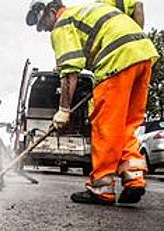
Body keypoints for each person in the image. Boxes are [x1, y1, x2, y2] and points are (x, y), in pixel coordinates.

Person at [26, 0, 159, 205]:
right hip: (143, 55)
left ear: (52, 11)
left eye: (43, 23)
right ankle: (134, 179)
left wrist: (63, 110)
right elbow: (138, 8)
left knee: (106, 125)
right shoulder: (84, 12)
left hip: (117, 60)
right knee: (127, 125)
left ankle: (101, 188)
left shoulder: (63, 23)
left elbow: (70, 71)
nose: (44, 30)